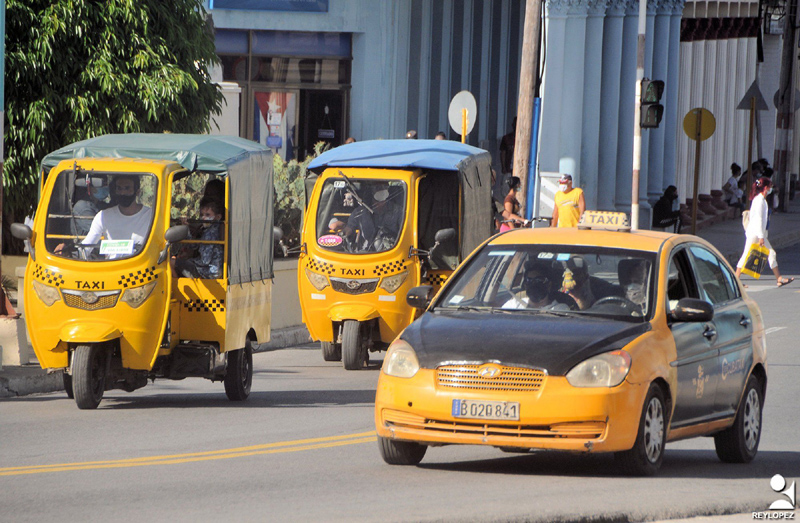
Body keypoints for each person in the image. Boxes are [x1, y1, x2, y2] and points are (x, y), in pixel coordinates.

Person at [735, 177, 794, 287]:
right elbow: (758, 219)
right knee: (746, 256)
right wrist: (761, 237)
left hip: (758, 233)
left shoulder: (761, 200)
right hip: (755, 234)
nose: (771, 188)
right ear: (766, 188)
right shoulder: (759, 201)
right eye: (770, 186)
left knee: (771, 253)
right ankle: (735, 281)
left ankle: (779, 278)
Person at [82, 175, 153, 257]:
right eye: (119, 188)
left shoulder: (151, 216)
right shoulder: (103, 216)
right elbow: (86, 247)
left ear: (137, 191)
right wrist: (69, 253)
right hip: (112, 268)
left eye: (127, 188)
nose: (123, 193)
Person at [173, 197, 224, 279]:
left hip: (210, 272)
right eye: (201, 215)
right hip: (210, 270)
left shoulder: (212, 233)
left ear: (218, 217)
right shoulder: (208, 230)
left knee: (173, 263)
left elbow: (205, 260)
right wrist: (186, 227)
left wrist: (191, 261)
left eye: (207, 215)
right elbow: (194, 246)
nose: (203, 218)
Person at [502, 259, 578, 310]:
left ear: (549, 284)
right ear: (525, 284)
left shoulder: (560, 309)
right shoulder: (514, 305)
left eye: (539, 280)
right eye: (529, 280)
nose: (533, 284)